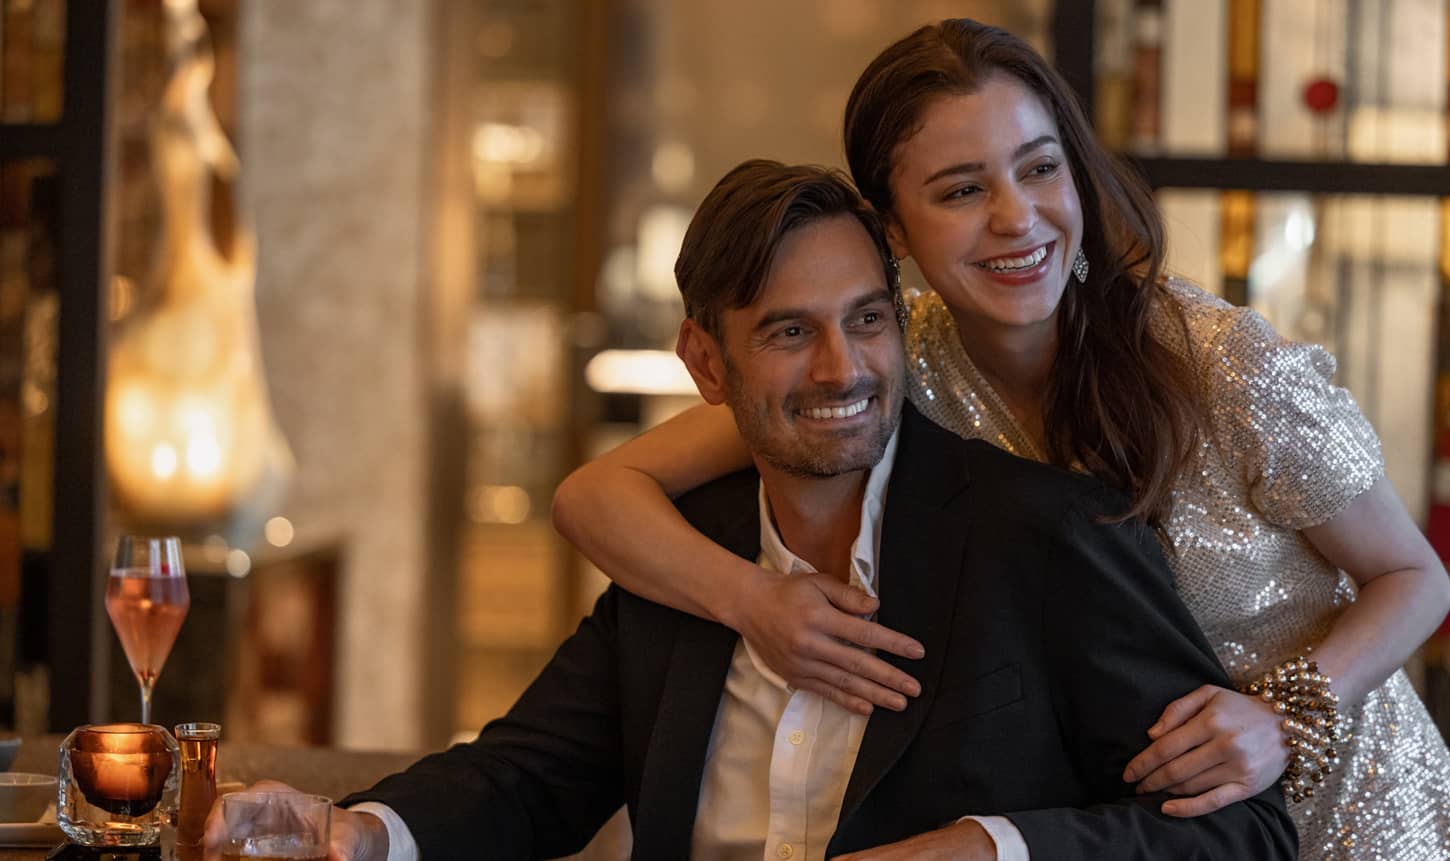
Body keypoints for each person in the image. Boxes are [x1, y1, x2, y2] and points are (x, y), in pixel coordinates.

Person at [551, 19, 1450, 860]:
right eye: (962, 190)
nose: (1017, 218)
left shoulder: (1220, 363)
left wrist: (1281, 718)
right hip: (1153, 825)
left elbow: (1417, 579)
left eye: (1040, 168)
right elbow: (595, 496)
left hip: (1352, 808)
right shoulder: (890, 364)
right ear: (894, 231)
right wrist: (756, 603)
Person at [206, 161, 1296, 861]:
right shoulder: (686, 563)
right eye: (788, 332)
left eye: (867, 321)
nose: (844, 367)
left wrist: (984, 848)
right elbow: (527, 775)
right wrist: (354, 831)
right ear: (705, 362)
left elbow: (1243, 834)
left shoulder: (1047, 535)